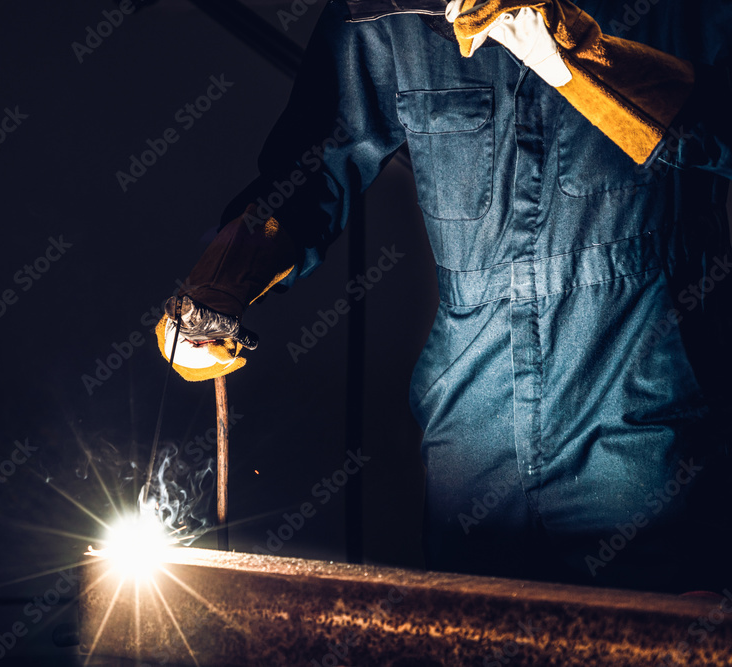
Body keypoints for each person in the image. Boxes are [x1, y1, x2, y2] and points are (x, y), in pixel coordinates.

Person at [156, 0, 732, 592]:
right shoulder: (383, 18)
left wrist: (582, 60)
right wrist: (225, 277)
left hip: (646, 424)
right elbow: (315, 165)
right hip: (471, 433)